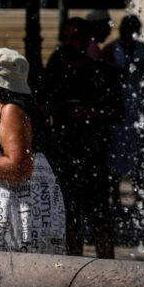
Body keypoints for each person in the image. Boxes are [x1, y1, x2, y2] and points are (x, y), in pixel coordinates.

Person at [40, 17, 123, 258]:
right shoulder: (57, 65)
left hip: (92, 153)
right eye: (65, 37)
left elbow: (118, 112)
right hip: (63, 152)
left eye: (74, 36)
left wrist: (91, 112)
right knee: (69, 219)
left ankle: (110, 274)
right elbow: (43, 104)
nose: (68, 42)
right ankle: (73, 275)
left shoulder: (100, 71)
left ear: (87, 39)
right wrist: (58, 108)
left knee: (100, 219)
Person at [0, 48, 66, 254]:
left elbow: (19, 167)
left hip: (20, 215)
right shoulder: (16, 108)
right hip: (30, 212)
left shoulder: (12, 110)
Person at [101, 15, 144, 211]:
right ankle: (116, 199)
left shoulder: (141, 48)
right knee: (115, 154)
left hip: (137, 104)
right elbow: (104, 74)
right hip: (118, 104)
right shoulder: (112, 48)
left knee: (137, 153)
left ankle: (139, 198)